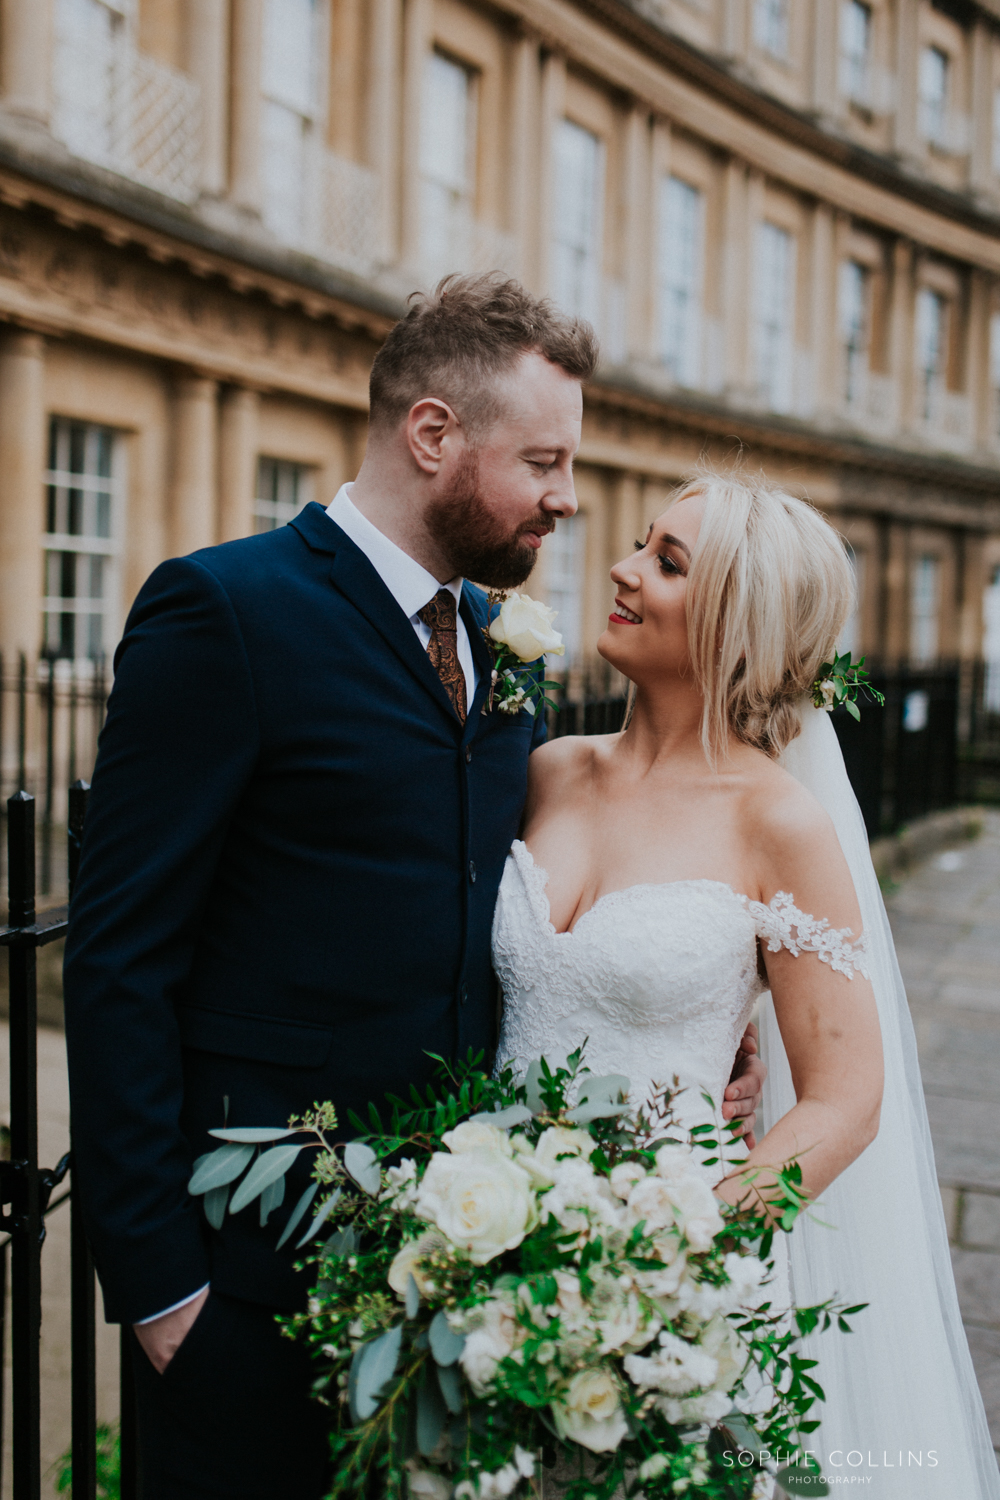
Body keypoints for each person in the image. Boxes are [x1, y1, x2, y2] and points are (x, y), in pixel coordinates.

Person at [62, 277, 766, 1500]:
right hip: (246, 1274)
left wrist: (704, 1016)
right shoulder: (224, 610)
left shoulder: (504, 648)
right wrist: (161, 1286)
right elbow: (119, 955)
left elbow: (524, 903)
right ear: (432, 435)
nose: (567, 495)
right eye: (542, 460)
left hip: (457, 1280)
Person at [492, 473, 1000, 1498]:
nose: (624, 571)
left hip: (659, 1283)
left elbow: (845, 1097)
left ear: (738, 622)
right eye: (642, 545)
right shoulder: (547, 769)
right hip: (488, 1252)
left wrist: (685, 1253)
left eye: (667, 562)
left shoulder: (779, 824)